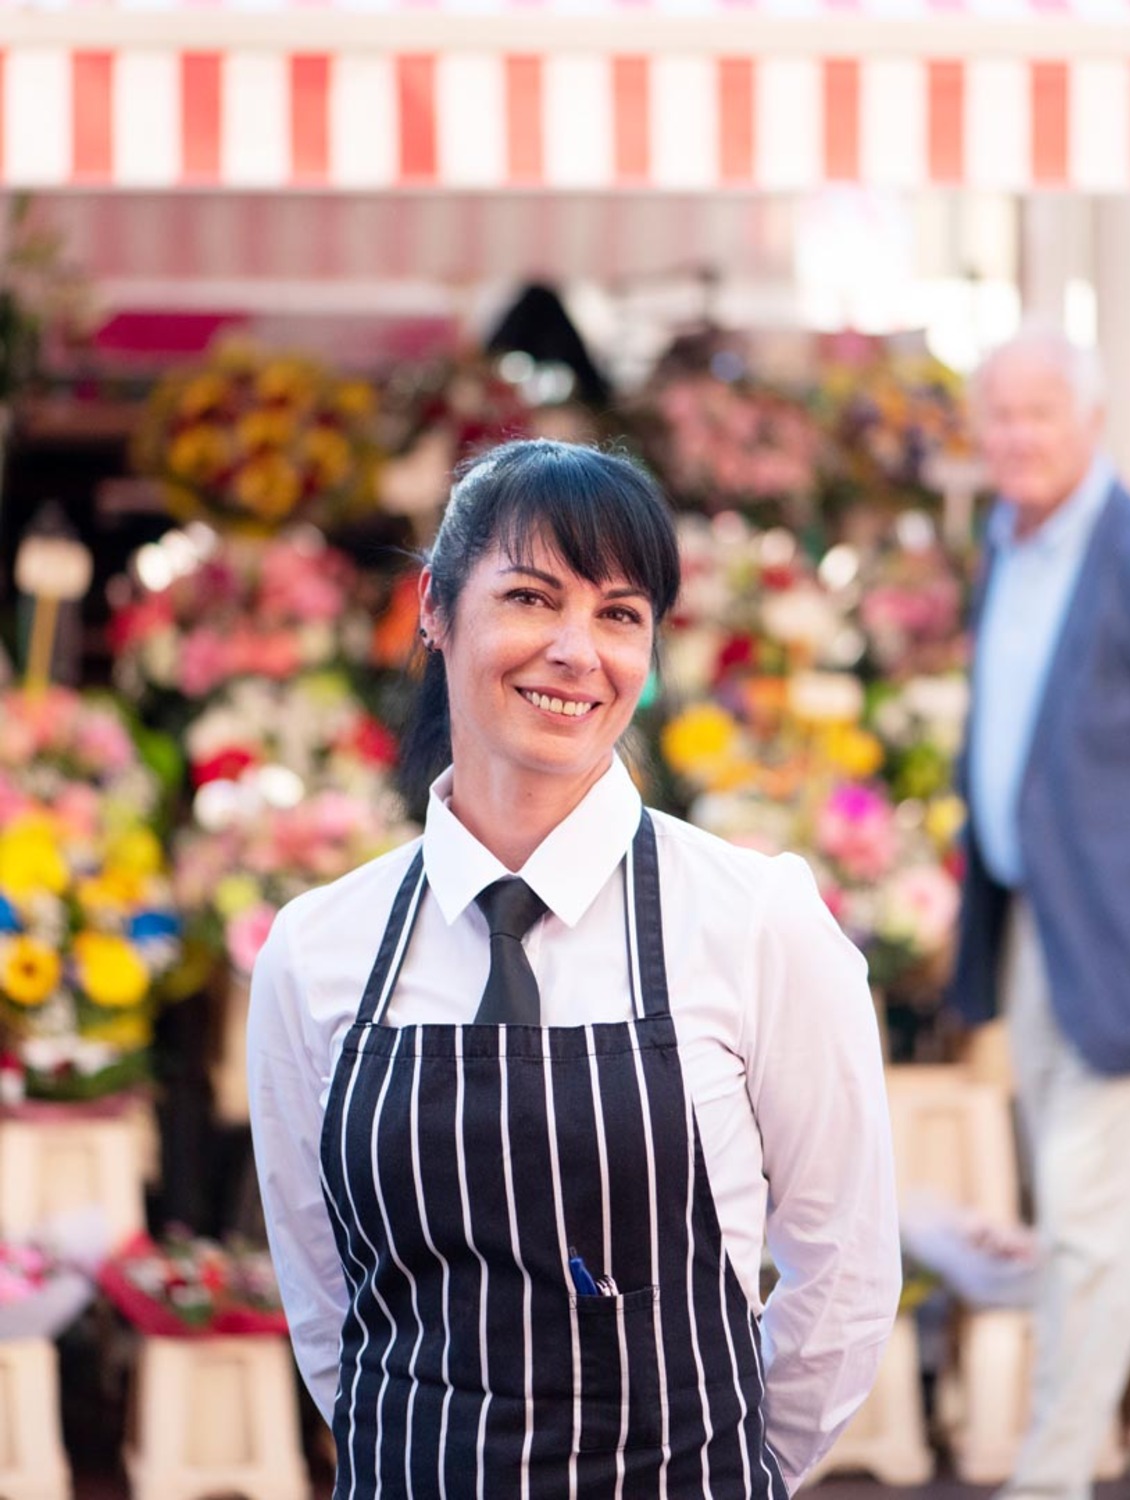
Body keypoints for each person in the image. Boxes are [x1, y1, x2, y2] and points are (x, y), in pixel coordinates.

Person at [248, 438, 899, 1498]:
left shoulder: (753, 921)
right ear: (434, 608)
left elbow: (847, 1272)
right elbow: (323, 1298)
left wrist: (736, 1469)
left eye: (619, 615)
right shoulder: (319, 950)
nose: (575, 651)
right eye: (530, 597)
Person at [948, 327, 1130, 1500]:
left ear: (1093, 422)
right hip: (1044, 937)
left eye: (1039, 412)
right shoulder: (1005, 545)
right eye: (999, 414)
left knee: (1094, 1234)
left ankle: (1043, 1482)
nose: (1016, 437)